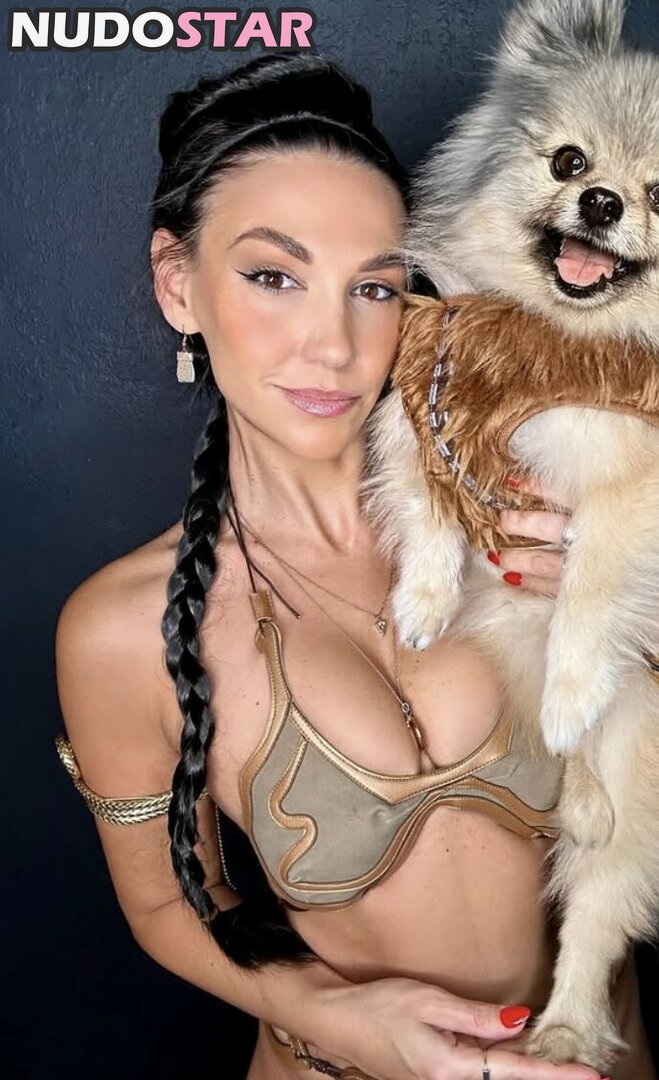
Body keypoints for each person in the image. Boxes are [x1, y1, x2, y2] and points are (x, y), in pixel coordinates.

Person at [53, 52, 656, 1080]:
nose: (332, 343)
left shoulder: (549, 511)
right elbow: (164, 903)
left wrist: (634, 603)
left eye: (372, 287)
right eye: (272, 276)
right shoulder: (121, 630)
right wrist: (334, 1017)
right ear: (178, 285)